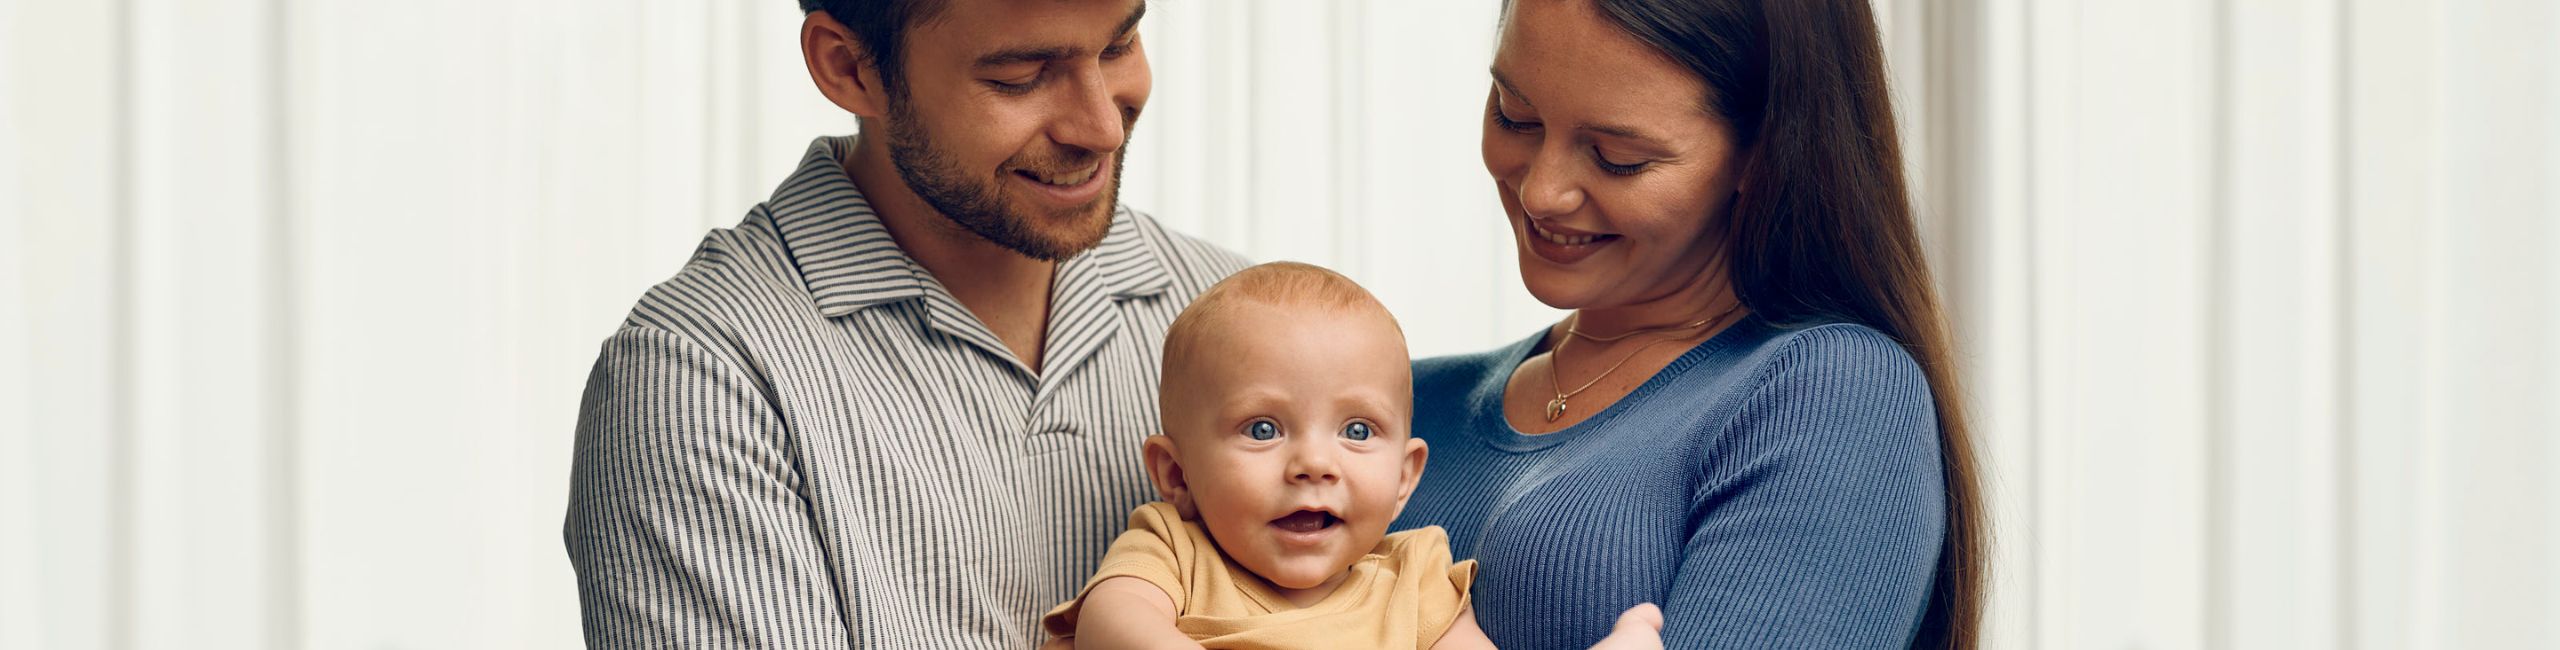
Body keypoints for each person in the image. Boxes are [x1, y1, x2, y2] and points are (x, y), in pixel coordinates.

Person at [561, 0, 1247, 646]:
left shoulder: (1232, 308)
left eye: (1119, 43)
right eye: (1019, 76)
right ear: (848, 67)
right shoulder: (701, 380)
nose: (1100, 126)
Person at [1391, 0, 1986, 648]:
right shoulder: (1393, 410)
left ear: (1761, 152)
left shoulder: (1831, 397)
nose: (1542, 191)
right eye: (1515, 113)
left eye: (1618, 156)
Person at [1040, 262, 1665, 650]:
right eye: (1263, 429)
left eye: (1358, 431)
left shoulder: (1416, 580)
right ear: (1176, 474)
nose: (1315, 463)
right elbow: (1112, 625)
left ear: (1404, 477)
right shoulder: (1173, 550)